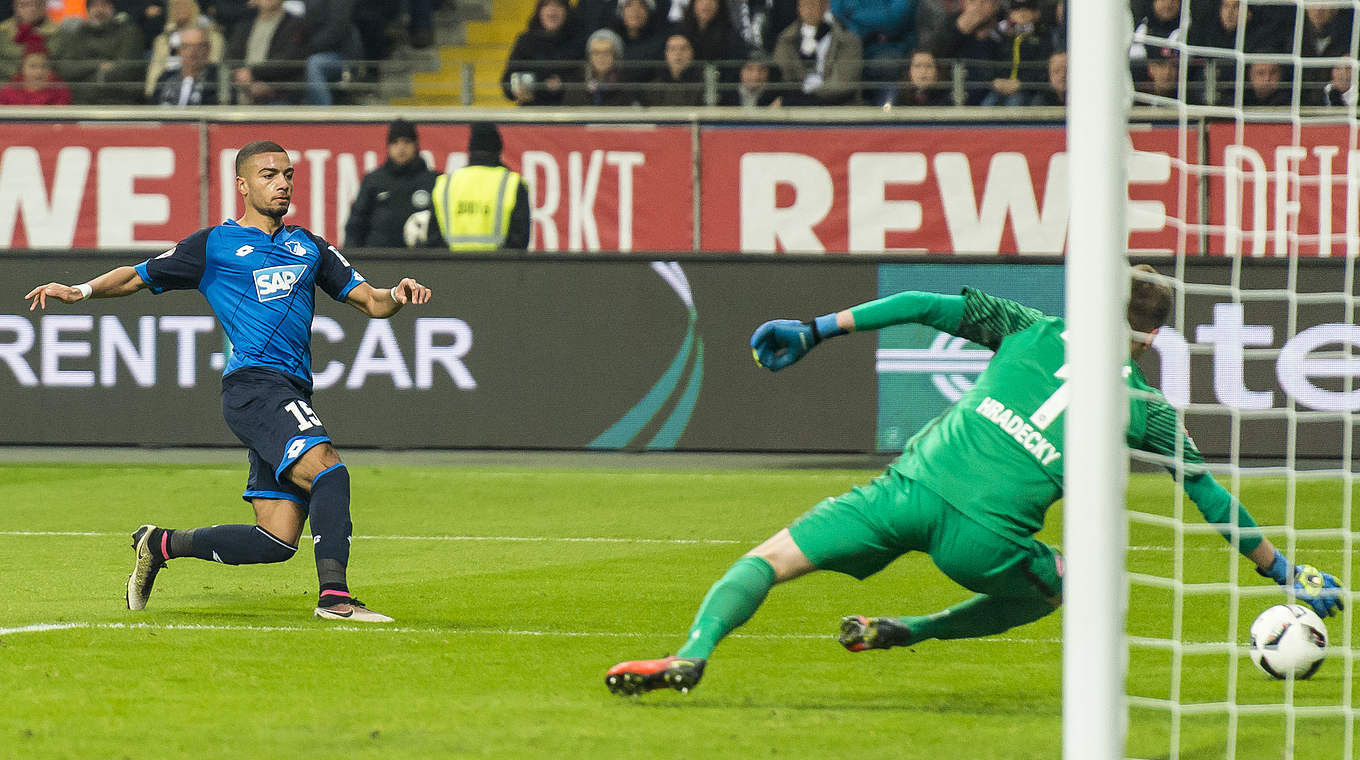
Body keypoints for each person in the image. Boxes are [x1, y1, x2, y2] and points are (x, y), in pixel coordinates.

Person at [604, 266, 1346, 696]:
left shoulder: (1028, 325)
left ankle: (694, 651)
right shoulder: (1148, 409)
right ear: (1154, 338)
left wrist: (817, 327)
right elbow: (1208, 497)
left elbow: (923, 305)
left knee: (766, 560)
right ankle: (911, 631)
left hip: (904, 491)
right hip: (984, 541)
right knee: (1077, 584)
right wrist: (1282, 572)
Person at [24, 140, 433, 623]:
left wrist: (398, 294)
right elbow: (137, 276)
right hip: (255, 387)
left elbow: (372, 301)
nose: (281, 183)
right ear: (241, 185)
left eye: (287, 174)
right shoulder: (214, 245)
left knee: (275, 541)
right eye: (267, 175)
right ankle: (335, 598)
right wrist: (81, 290)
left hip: (289, 388)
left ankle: (159, 544)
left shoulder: (310, 246)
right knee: (329, 469)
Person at [405, 123, 531, 251]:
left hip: (454, 268)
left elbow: (434, 237)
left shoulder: (445, 183)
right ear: (498, 149)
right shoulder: (512, 183)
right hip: (499, 268)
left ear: (470, 149)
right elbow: (520, 240)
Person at [345, 118, 440, 248]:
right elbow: (356, 225)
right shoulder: (374, 181)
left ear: (416, 145)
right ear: (388, 147)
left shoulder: (434, 181)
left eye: (406, 142)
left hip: (423, 261)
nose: (401, 148)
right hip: (379, 260)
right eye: (395, 142)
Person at [48, 0, 144, 104]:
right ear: (88, 10)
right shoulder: (76, 34)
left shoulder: (129, 33)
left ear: (113, 9)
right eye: (94, 6)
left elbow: (127, 70)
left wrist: (84, 77)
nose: (99, 10)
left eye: (104, 5)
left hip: (119, 102)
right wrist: (98, 65)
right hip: (80, 103)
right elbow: (65, 69)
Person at [770, 0, 863, 105]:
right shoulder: (786, 40)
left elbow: (843, 82)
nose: (809, 10)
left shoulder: (847, 40)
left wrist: (808, 98)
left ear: (825, 6)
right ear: (798, 8)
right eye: (804, 5)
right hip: (796, 105)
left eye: (813, 5)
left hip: (838, 105)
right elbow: (781, 76)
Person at [500, 0, 584, 107]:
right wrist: (515, 89)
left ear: (567, 11)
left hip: (569, 111)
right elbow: (507, 80)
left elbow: (585, 78)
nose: (552, 10)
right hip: (532, 111)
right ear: (539, 11)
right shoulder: (525, 41)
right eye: (546, 5)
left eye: (558, 5)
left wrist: (563, 84)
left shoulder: (579, 41)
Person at [225, 0, 304, 105]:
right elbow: (232, 56)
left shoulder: (295, 24)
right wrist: (241, 78)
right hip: (241, 95)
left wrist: (254, 74)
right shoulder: (244, 24)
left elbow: (288, 60)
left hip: (279, 98)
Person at [142, 0, 224, 100]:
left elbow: (212, 67)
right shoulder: (162, 40)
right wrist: (150, 94)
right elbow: (155, 70)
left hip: (200, 91)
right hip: (165, 92)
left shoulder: (211, 38)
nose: (179, 9)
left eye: (184, 4)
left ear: (194, 7)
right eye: (175, 5)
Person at [148, 23, 220, 104]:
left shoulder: (217, 80)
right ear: (179, 50)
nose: (192, 53)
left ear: (207, 49)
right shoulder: (166, 78)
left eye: (198, 47)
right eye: (186, 47)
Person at [564, 27, 638, 105]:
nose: (601, 57)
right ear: (589, 56)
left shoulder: (627, 83)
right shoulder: (577, 79)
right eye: (596, 52)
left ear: (616, 55)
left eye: (607, 52)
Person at [644, 32, 706, 106]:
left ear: (692, 53)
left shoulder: (703, 85)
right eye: (672, 49)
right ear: (666, 54)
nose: (678, 53)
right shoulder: (653, 88)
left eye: (683, 49)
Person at [0, 0, 56, 81]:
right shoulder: (2, 32)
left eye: (37, 4)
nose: (32, 8)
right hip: (7, 86)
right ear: (15, 6)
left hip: (48, 86)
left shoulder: (59, 32)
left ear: (45, 5)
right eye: (25, 5)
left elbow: (63, 66)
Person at [0, 43, 70, 103]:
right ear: (22, 69)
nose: (39, 72)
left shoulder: (59, 91)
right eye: (32, 66)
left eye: (44, 66)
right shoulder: (7, 91)